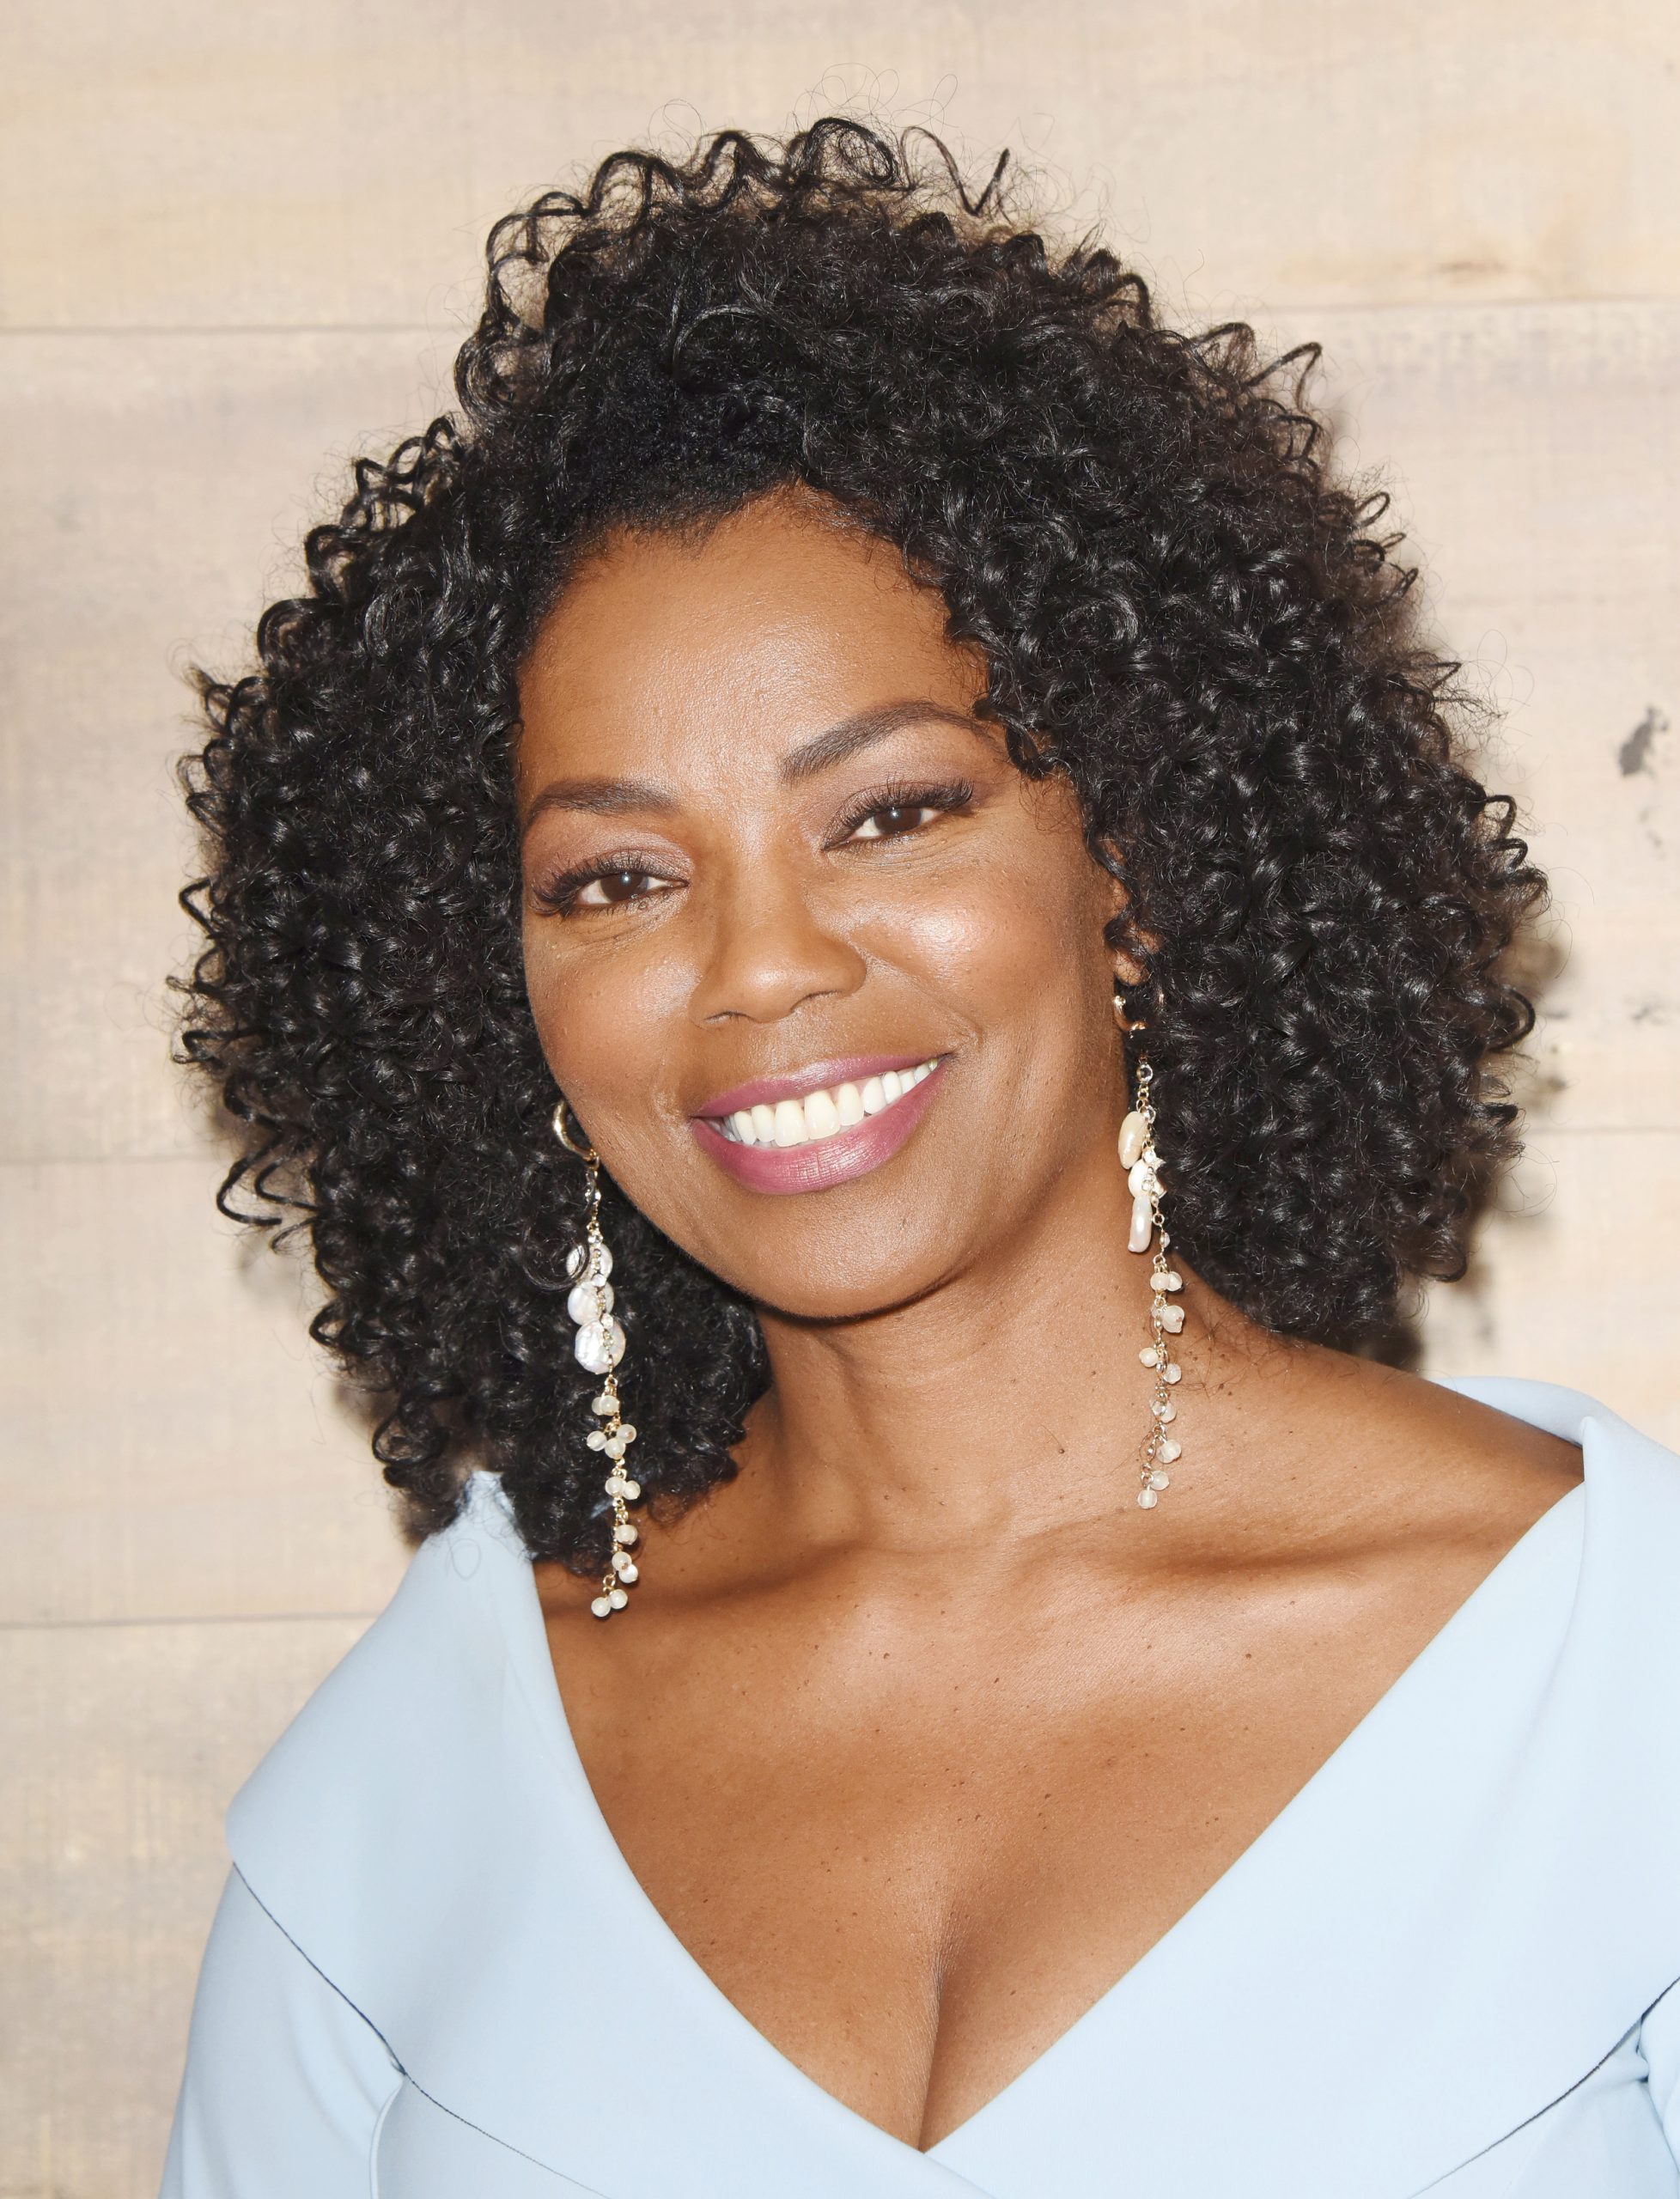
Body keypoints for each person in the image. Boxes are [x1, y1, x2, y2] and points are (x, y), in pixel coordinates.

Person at [158, 119, 1680, 2196]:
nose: (761, 965)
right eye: (614, 877)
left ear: (1134, 856)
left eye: (890, 813)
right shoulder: (417, 1777)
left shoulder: (1610, 1666)